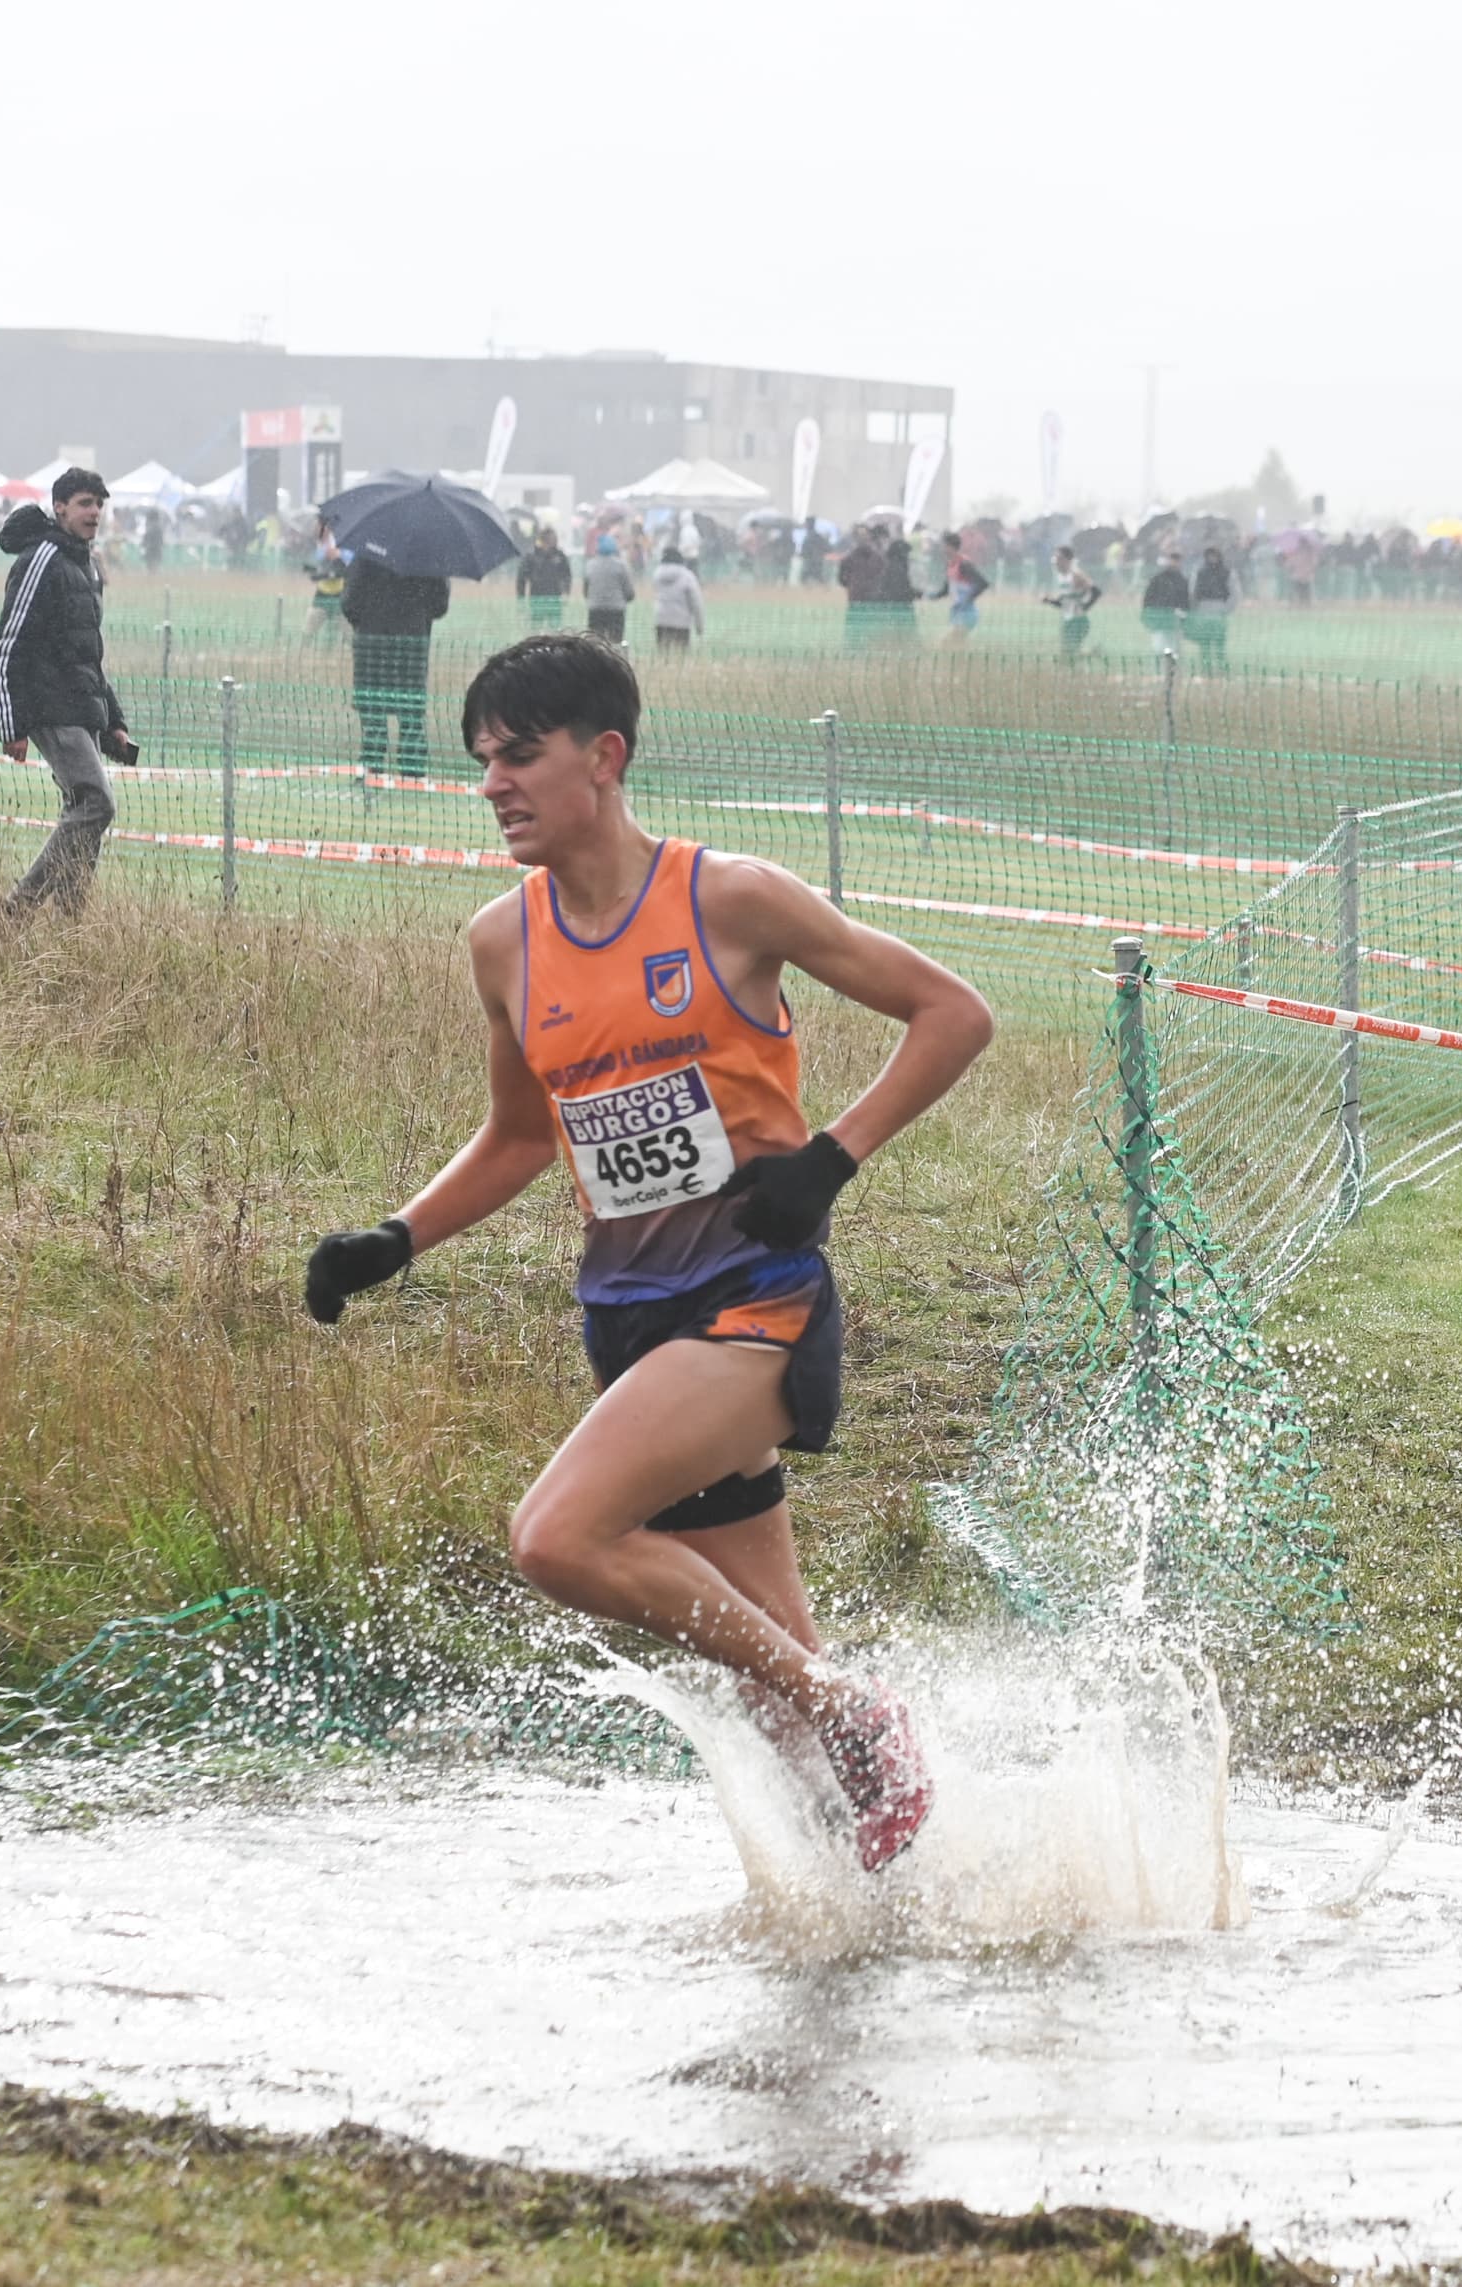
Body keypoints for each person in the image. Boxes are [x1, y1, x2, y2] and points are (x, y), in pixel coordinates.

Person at [301, 635, 995, 1871]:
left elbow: (955, 1013)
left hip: (752, 1303)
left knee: (556, 1538)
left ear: (604, 757)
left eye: (520, 755)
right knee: (772, 1671)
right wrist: (394, 1238)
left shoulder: (731, 897)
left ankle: (862, 1718)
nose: (494, 784)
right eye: (482, 762)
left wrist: (834, 1155)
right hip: (623, 1313)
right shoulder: (501, 943)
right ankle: (881, 1916)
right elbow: (520, 1137)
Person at [0, 467, 138, 915]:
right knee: (96, 803)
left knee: (82, 815)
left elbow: (87, 654)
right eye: (85, 503)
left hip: (81, 705)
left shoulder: (86, 564)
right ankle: (16, 910)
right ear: (60, 507)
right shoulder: (42, 560)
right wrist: (10, 723)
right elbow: (5, 647)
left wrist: (114, 721)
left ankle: (70, 932)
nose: (94, 513)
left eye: (99, 505)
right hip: (49, 707)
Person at [342, 548, 451, 777]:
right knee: (410, 710)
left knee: (373, 710)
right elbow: (440, 605)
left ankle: (371, 768)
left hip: (371, 643)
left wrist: (367, 622)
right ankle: (412, 771)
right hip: (412, 642)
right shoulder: (429, 556)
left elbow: (349, 602)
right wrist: (416, 616)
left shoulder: (367, 552)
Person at [1043, 545, 1099, 657]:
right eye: (1055, 558)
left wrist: (1085, 606)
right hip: (1068, 620)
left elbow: (1096, 591)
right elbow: (1063, 603)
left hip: (1078, 621)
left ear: (1067, 560)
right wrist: (1049, 600)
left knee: (1069, 654)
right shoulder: (1060, 577)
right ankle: (1094, 654)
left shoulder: (1076, 575)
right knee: (1068, 654)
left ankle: (1093, 655)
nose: (1055, 562)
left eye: (1058, 558)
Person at [650, 546, 706, 654]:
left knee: (663, 657)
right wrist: (699, 626)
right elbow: (696, 602)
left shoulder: (657, 574)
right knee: (681, 658)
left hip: (661, 621)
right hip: (681, 623)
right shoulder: (687, 576)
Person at [582, 534, 635, 645]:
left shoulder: (590, 565)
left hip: (595, 609)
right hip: (616, 610)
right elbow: (629, 591)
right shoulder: (621, 565)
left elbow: (586, 590)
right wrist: (628, 598)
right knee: (615, 642)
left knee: (594, 643)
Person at [516, 527, 573, 628]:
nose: (553, 542)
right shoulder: (532, 556)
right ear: (543, 540)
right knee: (536, 628)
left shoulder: (560, 556)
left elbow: (567, 575)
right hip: (537, 598)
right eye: (550, 540)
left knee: (555, 629)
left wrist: (566, 592)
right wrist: (521, 597)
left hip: (555, 599)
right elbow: (521, 578)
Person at [1189, 545, 1234, 672]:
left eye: (1215, 555)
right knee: (1205, 641)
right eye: (1210, 555)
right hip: (1203, 610)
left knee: (1219, 641)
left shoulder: (1226, 572)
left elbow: (1234, 592)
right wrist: (1195, 608)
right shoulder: (1200, 572)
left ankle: (1220, 666)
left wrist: (1227, 609)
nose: (1212, 558)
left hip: (1219, 609)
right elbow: (1193, 592)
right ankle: (1206, 667)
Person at [1140, 552, 1190, 661]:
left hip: (1174, 619)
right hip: (1159, 618)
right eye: (1172, 560)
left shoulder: (1182, 580)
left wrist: (1183, 614)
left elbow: (1185, 600)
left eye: (1177, 560)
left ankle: (1170, 671)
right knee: (1159, 646)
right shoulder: (1158, 578)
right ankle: (1160, 668)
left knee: (1173, 647)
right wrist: (1148, 611)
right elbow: (1149, 597)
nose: (1174, 563)